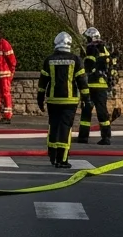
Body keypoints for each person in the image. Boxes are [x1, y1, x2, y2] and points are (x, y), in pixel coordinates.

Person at [37, 31, 90, 169]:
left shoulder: (49, 60)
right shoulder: (76, 59)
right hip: (69, 100)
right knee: (65, 128)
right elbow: (82, 81)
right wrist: (86, 98)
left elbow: (43, 82)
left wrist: (40, 99)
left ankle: (52, 156)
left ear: (56, 43)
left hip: (53, 100)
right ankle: (62, 159)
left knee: (53, 126)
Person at [76, 26, 113, 146]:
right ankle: (105, 137)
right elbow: (110, 68)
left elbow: (88, 66)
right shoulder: (104, 49)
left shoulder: (92, 49)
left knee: (88, 112)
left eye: (87, 38)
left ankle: (84, 137)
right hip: (100, 86)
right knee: (100, 112)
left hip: (93, 86)